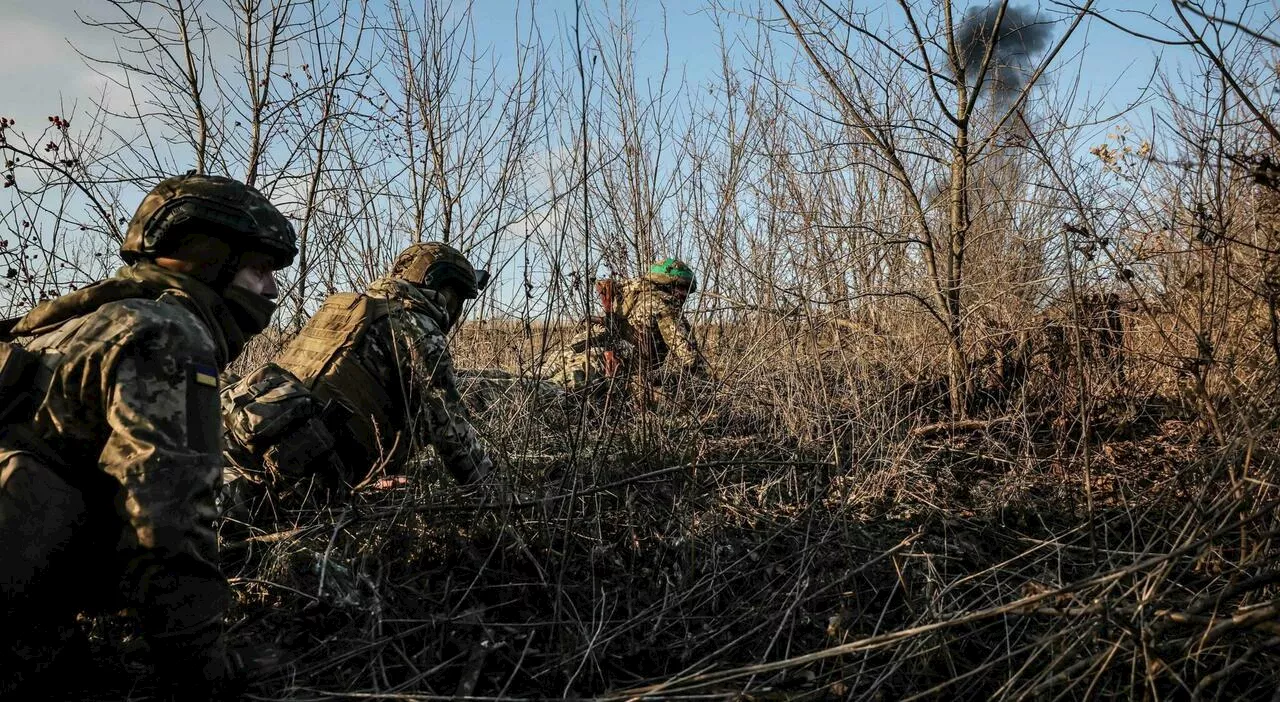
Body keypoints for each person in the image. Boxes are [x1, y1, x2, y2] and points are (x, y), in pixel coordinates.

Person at [0, 173, 296, 696]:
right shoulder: (167, 335)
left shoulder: (65, 324)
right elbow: (165, 520)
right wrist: (204, 667)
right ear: (207, 259)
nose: (272, 289)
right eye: (260, 269)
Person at [221, 242, 495, 506]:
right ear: (445, 291)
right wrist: (496, 496)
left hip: (246, 441)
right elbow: (450, 430)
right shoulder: (418, 327)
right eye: (457, 298)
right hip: (301, 473)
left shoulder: (347, 309)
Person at [547, 257, 706, 395]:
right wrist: (704, 384)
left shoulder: (628, 294)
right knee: (549, 392)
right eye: (681, 287)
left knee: (535, 376)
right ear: (666, 282)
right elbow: (689, 358)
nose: (684, 294)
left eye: (687, 289)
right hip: (606, 365)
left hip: (579, 348)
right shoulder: (665, 305)